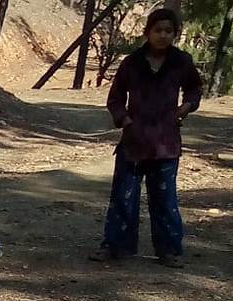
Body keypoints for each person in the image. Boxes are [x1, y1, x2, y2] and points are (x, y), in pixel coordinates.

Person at [91, 7, 202, 268]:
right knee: (123, 196)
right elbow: (115, 98)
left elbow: (195, 89)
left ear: (175, 34)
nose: (163, 35)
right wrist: (125, 120)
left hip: (166, 143)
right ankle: (115, 246)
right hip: (133, 142)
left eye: (168, 31)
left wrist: (184, 108)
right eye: (158, 30)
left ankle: (169, 250)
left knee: (164, 199)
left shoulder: (181, 62)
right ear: (147, 32)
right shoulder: (132, 63)